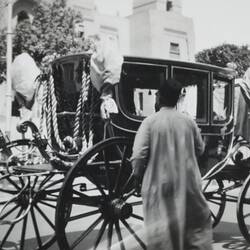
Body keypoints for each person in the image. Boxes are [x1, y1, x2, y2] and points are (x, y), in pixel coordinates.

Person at [131, 78, 213, 250]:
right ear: (177, 98)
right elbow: (200, 149)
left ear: (159, 97)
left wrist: (137, 177)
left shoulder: (150, 122)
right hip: (188, 185)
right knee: (192, 233)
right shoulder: (188, 122)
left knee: (163, 236)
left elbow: (139, 156)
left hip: (160, 187)